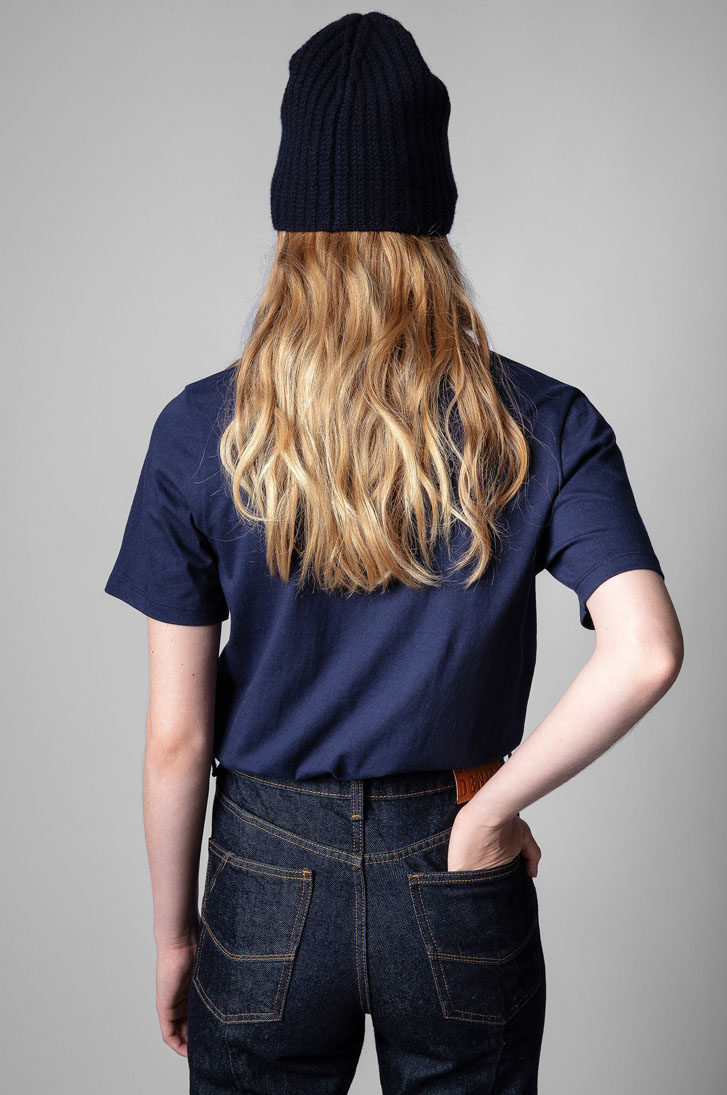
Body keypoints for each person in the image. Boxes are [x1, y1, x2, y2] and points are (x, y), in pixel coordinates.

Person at [103, 12, 683, 1094]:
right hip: (456, 865)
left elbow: (178, 740)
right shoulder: (544, 422)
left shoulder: (199, 432)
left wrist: (176, 935)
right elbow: (645, 650)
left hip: (264, 874)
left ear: (289, 219)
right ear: (435, 215)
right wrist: (493, 811)